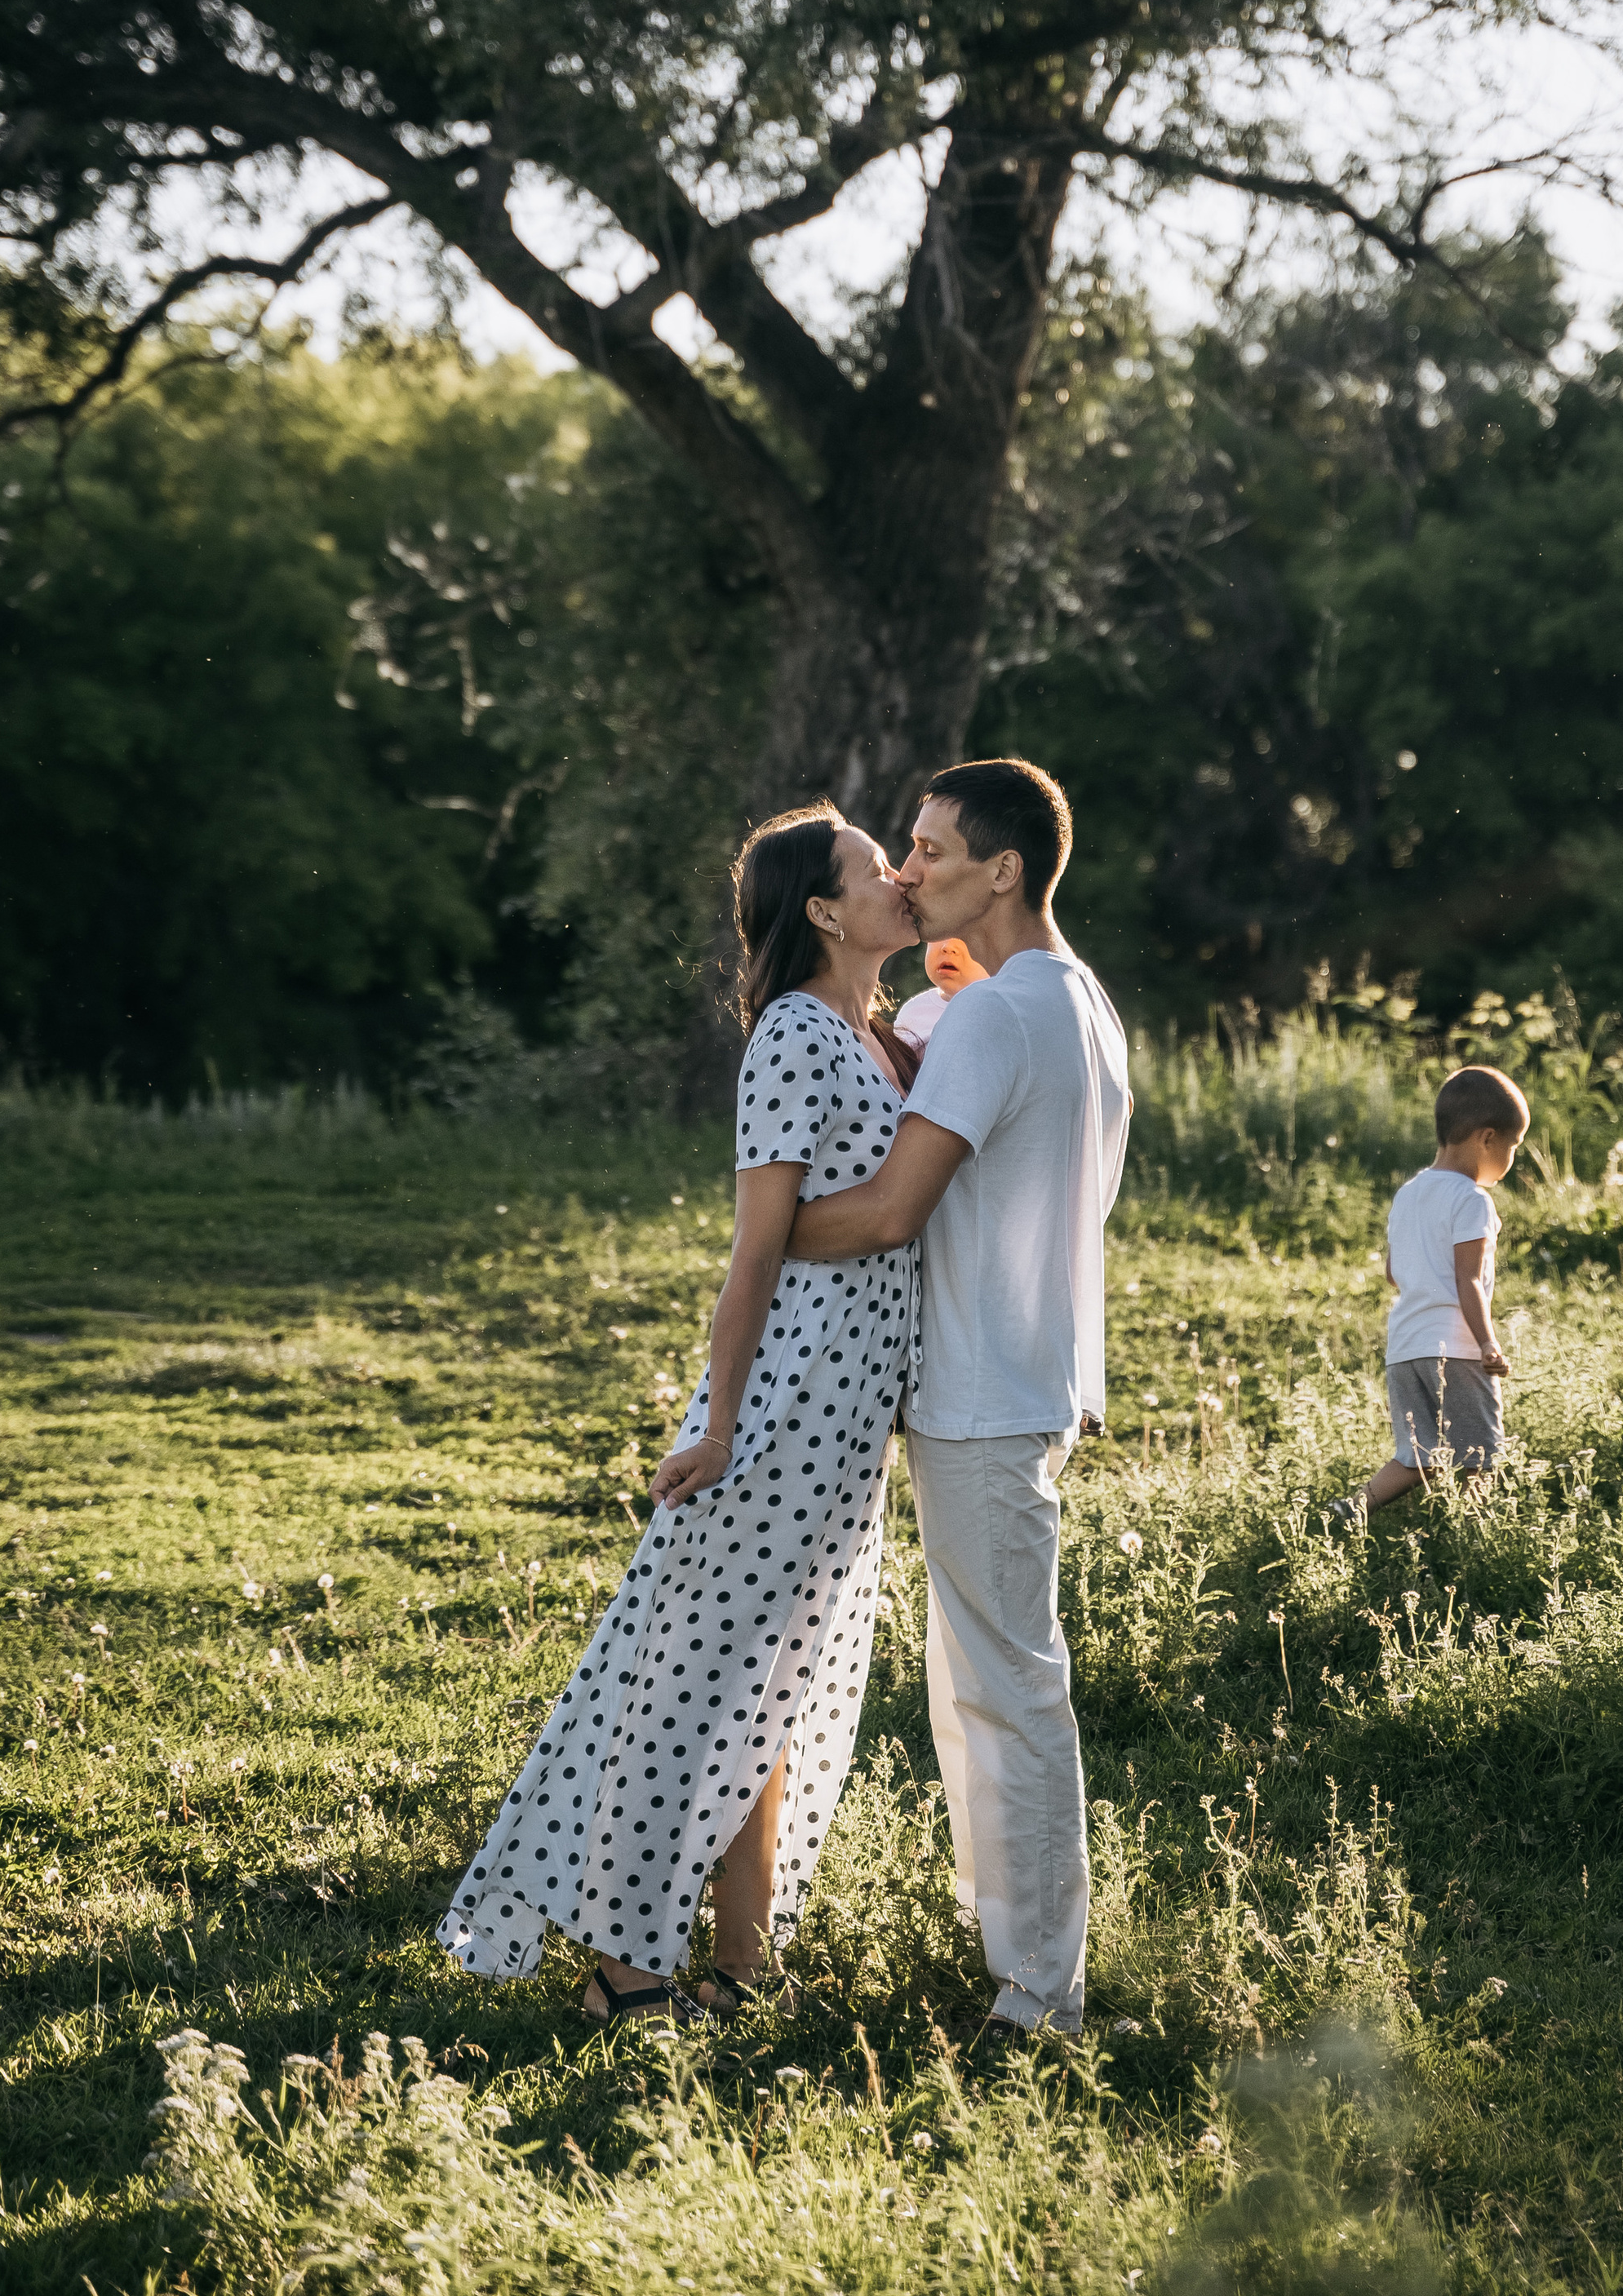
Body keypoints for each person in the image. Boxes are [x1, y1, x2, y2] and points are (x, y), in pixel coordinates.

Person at [437, 802, 919, 2025]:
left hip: (846, 1429)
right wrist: (716, 1429)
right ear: (823, 910)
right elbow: (755, 1254)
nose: (903, 878)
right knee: (695, 1695)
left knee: (776, 1697)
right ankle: (623, 1969)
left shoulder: (875, 1036)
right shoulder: (799, 1038)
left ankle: (742, 1971)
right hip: (779, 1415)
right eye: (878, 869)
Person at [793, 756, 1130, 2041]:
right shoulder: (1077, 1001)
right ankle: (1014, 1954)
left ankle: (1042, 1996)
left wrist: (760, 1238)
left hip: (986, 1387)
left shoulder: (995, 1015)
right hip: (1022, 1377)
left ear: (1004, 868)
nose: (906, 870)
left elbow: (889, 1210)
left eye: (931, 850)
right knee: (979, 1686)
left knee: (1008, 1688)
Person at [1333, 1063, 1528, 1526]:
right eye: (1513, 1147)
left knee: (1419, 1454)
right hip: (1456, 1349)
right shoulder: (1472, 1200)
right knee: (1480, 1456)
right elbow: (1469, 1281)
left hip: (1405, 1347)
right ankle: (1472, 1539)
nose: (1512, 1159)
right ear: (1486, 1138)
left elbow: (1393, 1273)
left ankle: (1352, 1510)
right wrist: (1486, 1342)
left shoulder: (1409, 1194)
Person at [890, 933, 991, 1057]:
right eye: (941, 933)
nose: (948, 947)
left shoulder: (1003, 1011)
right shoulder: (914, 1013)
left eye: (963, 934)